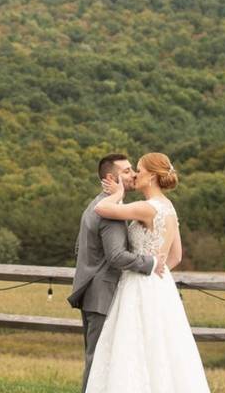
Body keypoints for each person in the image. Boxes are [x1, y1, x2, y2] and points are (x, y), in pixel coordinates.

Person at [84, 152, 210, 392]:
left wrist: (118, 193)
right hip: (161, 287)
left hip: (138, 285)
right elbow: (176, 256)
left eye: (139, 170)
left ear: (151, 176)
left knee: (133, 348)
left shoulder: (146, 208)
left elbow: (101, 208)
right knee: (163, 349)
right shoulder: (169, 208)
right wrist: (156, 272)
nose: (135, 175)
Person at [67, 154, 165, 393]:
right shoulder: (109, 212)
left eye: (134, 169)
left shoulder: (97, 203)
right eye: (127, 171)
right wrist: (151, 263)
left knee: (99, 357)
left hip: (93, 291)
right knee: (99, 360)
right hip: (103, 293)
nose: (133, 174)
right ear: (111, 178)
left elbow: (79, 247)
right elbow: (116, 257)